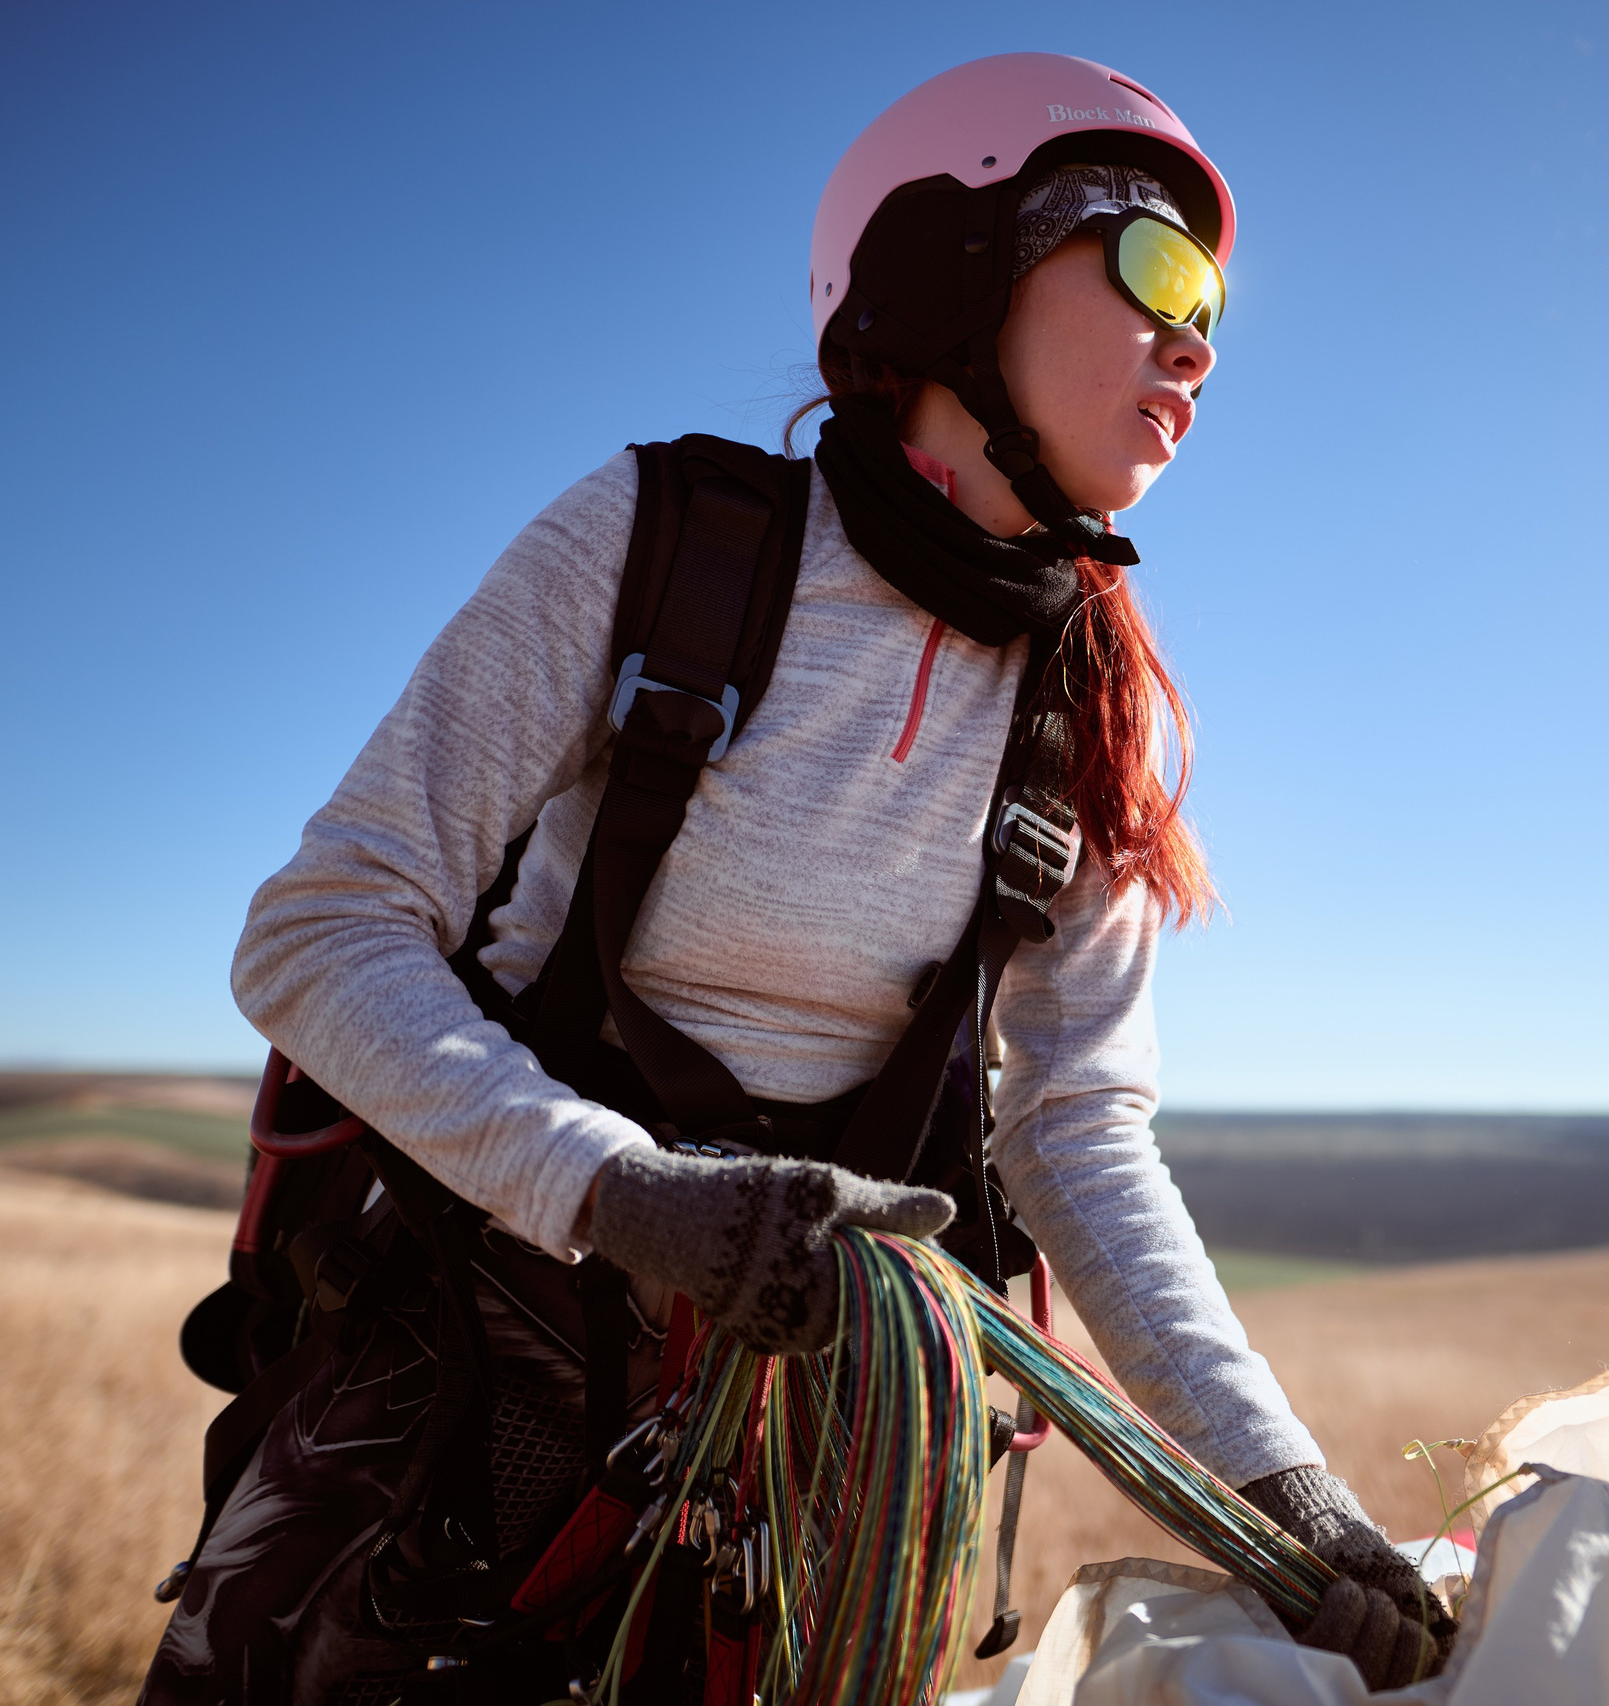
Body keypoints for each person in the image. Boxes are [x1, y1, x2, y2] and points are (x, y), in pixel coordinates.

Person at [143, 51, 1443, 1703]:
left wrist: (1292, 1502)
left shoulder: (1088, 707)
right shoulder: (657, 541)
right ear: (947, 266)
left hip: (821, 1470)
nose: (1195, 340)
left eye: (1217, 306)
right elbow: (322, 932)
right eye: (1152, 266)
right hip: (473, 1397)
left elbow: (1075, 1133)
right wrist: (623, 1191)